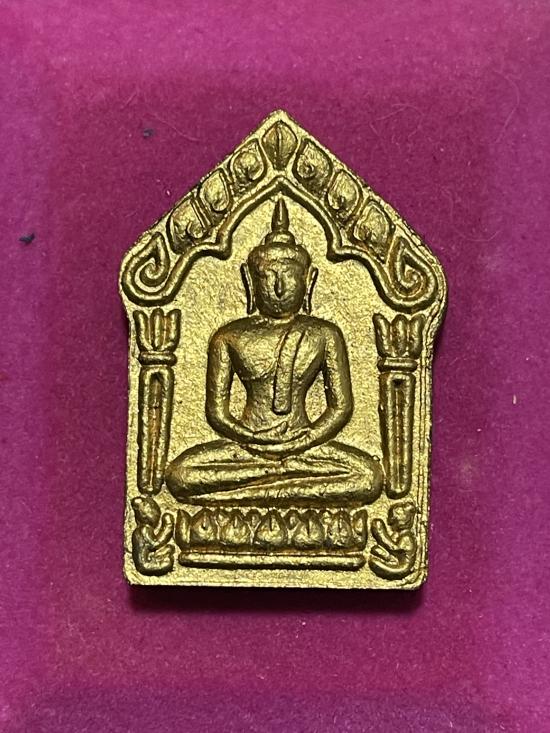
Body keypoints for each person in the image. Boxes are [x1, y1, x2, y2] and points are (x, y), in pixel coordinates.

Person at [165, 199, 383, 506]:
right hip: (247, 447)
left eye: (289, 275)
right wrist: (251, 438)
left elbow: (340, 408)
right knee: (180, 474)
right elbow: (217, 413)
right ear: (250, 280)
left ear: (308, 280)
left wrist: (302, 440)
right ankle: (282, 487)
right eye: (268, 275)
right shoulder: (228, 336)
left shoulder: (324, 334)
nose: (279, 285)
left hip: (304, 445)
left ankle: (249, 493)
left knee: (369, 477)